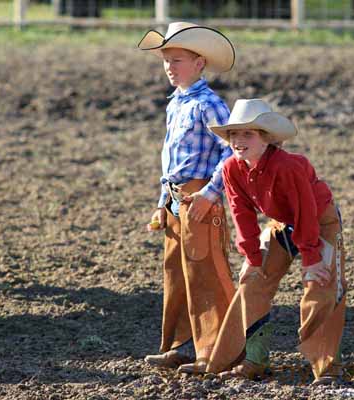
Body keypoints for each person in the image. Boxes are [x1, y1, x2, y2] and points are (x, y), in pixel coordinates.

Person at [205, 99, 347, 385]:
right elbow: (241, 214)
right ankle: (253, 358)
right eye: (234, 134)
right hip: (282, 224)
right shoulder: (231, 168)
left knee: (320, 284)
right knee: (252, 281)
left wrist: (311, 257)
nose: (239, 140)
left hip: (319, 224)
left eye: (248, 134)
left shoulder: (289, 166)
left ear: (266, 139)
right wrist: (253, 258)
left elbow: (306, 210)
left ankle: (326, 367)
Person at [137, 22, 237, 374]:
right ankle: (183, 344)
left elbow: (233, 152)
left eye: (177, 60)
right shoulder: (177, 104)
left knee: (205, 272)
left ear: (199, 63)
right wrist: (163, 199)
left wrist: (210, 193)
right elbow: (171, 159)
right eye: (166, 60)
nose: (169, 67)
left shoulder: (209, 104)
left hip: (198, 197)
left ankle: (214, 350)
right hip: (177, 198)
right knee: (177, 272)